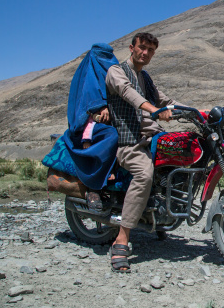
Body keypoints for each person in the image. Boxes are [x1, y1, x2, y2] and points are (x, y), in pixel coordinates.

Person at [105, 32, 185, 273]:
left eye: (150, 50)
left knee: (181, 159)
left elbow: (167, 101)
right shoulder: (116, 72)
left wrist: (199, 111)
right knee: (144, 174)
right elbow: (129, 93)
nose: (145, 53)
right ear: (132, 47)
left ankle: (162, 216)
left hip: (152, 137)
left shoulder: (147, 78)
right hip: (129, 142)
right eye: (142, 48)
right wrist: (154, 110)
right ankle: (121, 239)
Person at [63, 43, 119, 211]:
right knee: (112, 136)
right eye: (103, 56)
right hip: (89, 125)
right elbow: (87, 102)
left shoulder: (114, 74)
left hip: (108, 122)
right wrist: (99, 107)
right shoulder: (88, 77)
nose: (107, 60)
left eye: (109, 56)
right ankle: (94, 185)